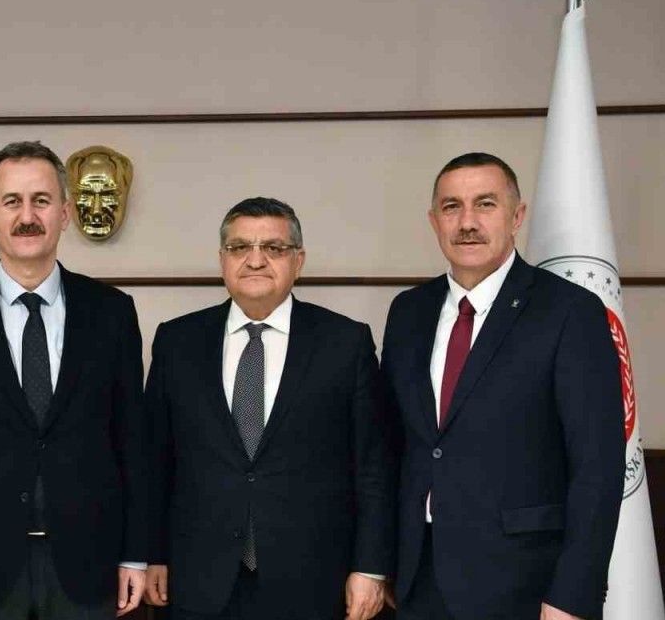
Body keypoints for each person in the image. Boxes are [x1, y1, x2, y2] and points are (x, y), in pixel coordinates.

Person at [0, 141, 147, 620]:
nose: (27, 216)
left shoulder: (112, 312)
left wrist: (136, 553)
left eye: (41, 200)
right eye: (11, 201)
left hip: (89, 560)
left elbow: (133, 442)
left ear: (65, 212)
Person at [382, 153, 623, 620]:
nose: (467, 222)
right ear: (434, 221)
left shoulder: (570, 312)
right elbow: (393, 446)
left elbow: (598, 466)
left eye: (485, 204)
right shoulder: (408, 312)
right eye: (451, 207)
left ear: (517, 216)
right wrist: (382, 560)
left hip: (525, 584)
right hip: (417, 578)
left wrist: (573, 593)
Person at [144, 197, 396, 620]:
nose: (255, 260)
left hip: (312, 580)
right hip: (199, 579)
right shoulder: (177, 342)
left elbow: (373, 467)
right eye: (240, 247)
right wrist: (152, 554)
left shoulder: (345, 343)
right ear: (222, 260)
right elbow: (155, 462)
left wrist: (370, 567)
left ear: (299, 261)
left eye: (274, 248)